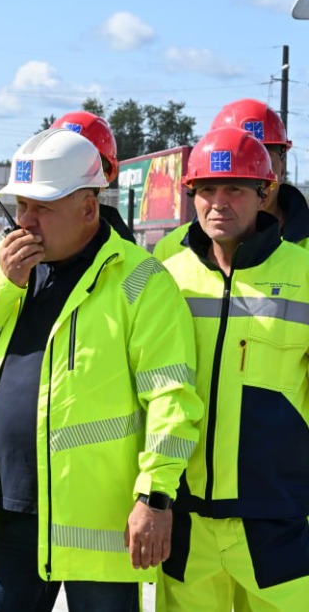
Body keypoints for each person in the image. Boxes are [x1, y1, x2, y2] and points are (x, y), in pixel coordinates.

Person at [0, 128, 204, 612]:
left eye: (41, 208)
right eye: (20, 206)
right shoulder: (6, 266)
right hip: (9, 518)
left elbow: (172, 399)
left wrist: (155, 496)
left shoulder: (140, 281)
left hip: (98, 528)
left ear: (88, 207)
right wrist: (0, 284)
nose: (25, 221)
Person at [156, 126, 309, 610]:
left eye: (235, 189)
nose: (218, 203)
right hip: (185, 523)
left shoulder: (303, 275)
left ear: (264, 195)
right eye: (206, 190)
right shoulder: (165, 272)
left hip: (279, 521)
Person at [153, 98, 308, 259]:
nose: (257, 174)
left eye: (263, 160)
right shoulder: (170, 250)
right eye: (238, 164)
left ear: (282, 165)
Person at [49, 110, 135, 242]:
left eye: (78, 167)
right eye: (55, 165)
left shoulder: (132, 258)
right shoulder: (12, 252)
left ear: (103, 180)